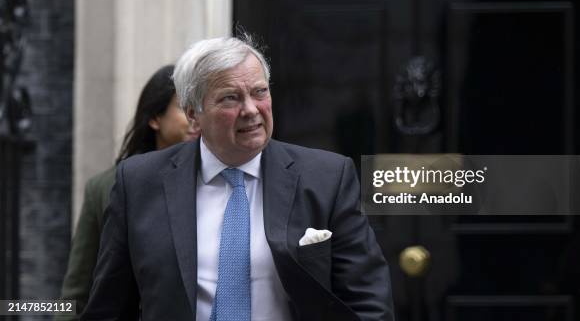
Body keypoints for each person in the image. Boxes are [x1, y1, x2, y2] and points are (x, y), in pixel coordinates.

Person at [82, 36, 394, 320]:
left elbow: (368, 302)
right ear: (193, 113)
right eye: (230, 98)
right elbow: (108, 308)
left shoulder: (326, 178)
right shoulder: (139, 182)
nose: (251, 110)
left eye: (260, 92)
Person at [55, 65, 199, 320]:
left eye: (199, 105)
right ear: (155, 118)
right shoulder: (106, 187)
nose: (194, 116)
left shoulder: (222, 182)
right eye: (183, 107)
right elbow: (77, 296)